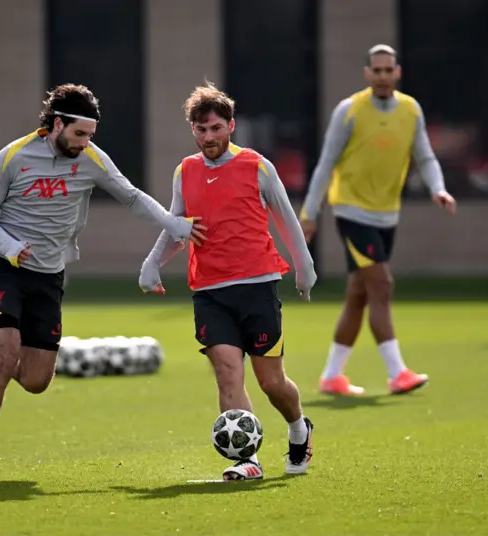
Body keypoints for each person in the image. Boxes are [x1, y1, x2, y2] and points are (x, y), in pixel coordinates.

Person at [0, 83, 207, 481]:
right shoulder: (11, 158)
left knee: (37, 381)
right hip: (4, 268)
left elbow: (132, 196)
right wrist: (8, 246)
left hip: (50, 274)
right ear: (57, 124)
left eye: (90, 135)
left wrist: (175, 224)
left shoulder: (91, 158)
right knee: (7, 358)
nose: (85, 142)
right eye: (79, 134)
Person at [138, 83, 318, 481]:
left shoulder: (257, 166)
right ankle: (247, 459)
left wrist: (304, 267)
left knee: (271, 382)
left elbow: (287, 220)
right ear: (193, 131)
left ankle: (298, 428)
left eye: (216, 128)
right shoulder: (184, 171)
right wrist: (152, 265)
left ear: (231, 126)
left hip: (258, 285)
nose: (208, 137)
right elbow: (175, 225)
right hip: (209, 290)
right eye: (201, 130)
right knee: (226, 371)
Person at [299, 45, 457, 397]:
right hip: (352, 212)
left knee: (359, 294)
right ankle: (397, 372)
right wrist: (309, 214)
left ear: (397, 72)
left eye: (389, 70)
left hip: (388, 215)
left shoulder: (410, 110)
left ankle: (331, 376)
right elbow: (325, 165)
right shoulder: (349, 111)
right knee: (382, 286)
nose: (384, 76)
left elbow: (426, 156)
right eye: (377, 70)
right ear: (367, 74)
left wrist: (438, 189)